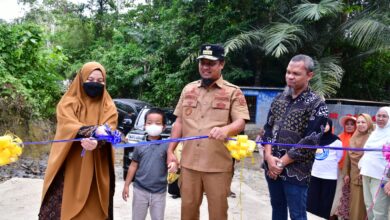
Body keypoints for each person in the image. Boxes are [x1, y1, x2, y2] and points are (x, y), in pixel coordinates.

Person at [167, 43, 250, 220]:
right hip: (189, 164)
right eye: (202, 62)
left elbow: (240, 122)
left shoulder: (233, 92)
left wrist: (226, 129)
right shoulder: (188, 89)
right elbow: (179, 122)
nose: (205, 67)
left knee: (218, 213)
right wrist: (170, 151)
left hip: (218, 166)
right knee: (187, 211)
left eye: (211, 63)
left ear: (221, 64)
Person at [39, 62, 118, 219]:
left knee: (94, 210)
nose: (95, 84)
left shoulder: (108, 105)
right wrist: (92, 130)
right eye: (90, 79)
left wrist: (98, 141)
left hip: (97, 164)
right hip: (70, 162)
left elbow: (111, 129)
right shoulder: (68, 102)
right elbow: (67, 124)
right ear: (81, 79)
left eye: (100, 81)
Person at [262, 54, 328, 220]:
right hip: (272, 168)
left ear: (309, 75)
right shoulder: (278, 99)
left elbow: (311, 139)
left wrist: (281, 162)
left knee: (297, 215)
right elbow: (268, 128)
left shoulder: (317, 104)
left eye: (296, 73)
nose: (290, 77)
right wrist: (269, 157)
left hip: (296, 171)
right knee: (277, 210)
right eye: (288, 72)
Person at [122, 108, 170, 220]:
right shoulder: (140, 145)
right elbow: (133, 165)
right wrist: (126, 185)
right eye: (149, 123)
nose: (153, 125)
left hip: (159, 192)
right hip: (140, 190)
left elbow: (172, 162)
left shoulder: (167, 145)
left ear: (163, 127)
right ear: (145, 125)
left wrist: (173, 165)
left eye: (157, 123)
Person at [307, 119, 343, 219]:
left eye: (326, 124)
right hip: (315, 174)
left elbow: (339, 157)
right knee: (312, 200)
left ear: (330, 126)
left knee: (325, 202)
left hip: (330, 177)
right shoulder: (315, 139)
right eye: (322, 124)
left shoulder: (336, 141)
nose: (324, 126)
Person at [359, 107, 390, 220]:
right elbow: (367, 153)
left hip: (382, 177)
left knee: (379, 211)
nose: (380, 118)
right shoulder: (374, 133)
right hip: (367, 174)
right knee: (369, 207)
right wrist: (362, 169)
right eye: (379, 116)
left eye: (384, 116)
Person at [342, 113, 373, 220]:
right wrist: (346, 173)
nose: (360, 124)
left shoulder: (372, 138)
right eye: (358, 122)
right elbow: (347, 157)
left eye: (363, 122)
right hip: (354, 177)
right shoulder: (353, 138)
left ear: (369, 123)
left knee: (366, 206)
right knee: (354, 205)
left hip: (368, 177)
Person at [330, 115, 356, 219]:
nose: (349, 126)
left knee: (350, 193)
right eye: (347, 124)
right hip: (340, 169)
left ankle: (347, 214)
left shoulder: (358, 137)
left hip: (354, 170)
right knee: (339, 190)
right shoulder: (339, 137)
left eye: (352, 124)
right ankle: (336, 213)